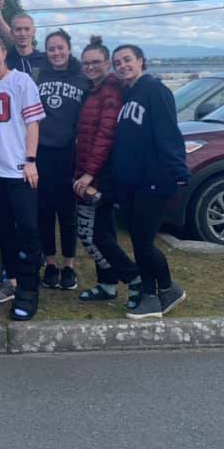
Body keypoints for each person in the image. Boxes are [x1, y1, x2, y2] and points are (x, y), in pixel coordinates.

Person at [111, 43, 191, 320]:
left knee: (144, 242)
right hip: (133, 182)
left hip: (154, 180)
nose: (122, 65)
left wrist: (179, 170)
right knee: (138, 239)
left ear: (141, 61)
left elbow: (169, 131)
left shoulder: (156, 90)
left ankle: (160, 292)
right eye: (118, 62)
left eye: (127, 60)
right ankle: (159, 292)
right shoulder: (129, 94)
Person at [0, 34, 46, 320]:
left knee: (27, 229)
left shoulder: (22, 81)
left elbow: (32, 123)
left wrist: (30, 160)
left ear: (4, 53)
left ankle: (30, 290)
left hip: (17, 169)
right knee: (4, 231)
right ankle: (13, 282)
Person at [72, 36, 142, 307]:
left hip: (101, 176)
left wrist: (89, 173)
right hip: (89, 171)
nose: (90, 67)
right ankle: (107, 284)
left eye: (96, 63)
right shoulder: (93, 90)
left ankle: (134, 278)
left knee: (93, 236)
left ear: (106, 64)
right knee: (103, 233)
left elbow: (106, 134)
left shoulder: (111, 91)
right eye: (86, 63)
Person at [36, 29, 88, 291]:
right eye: (51, 48)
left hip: (69, 153)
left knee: (67, 213)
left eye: (60, 48)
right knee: (44, 211)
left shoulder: (82, 78)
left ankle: (69, 264)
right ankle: (50, 263)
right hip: (42, 152)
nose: (56, 53)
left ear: (69, 48)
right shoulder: (39, 75)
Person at [6, 13, 46, 78]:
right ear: (12, 32)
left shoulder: (45, 61)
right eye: (18, 29)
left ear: (33, 32)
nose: (23, 33)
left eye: (27, 29)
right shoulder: (4, 62)